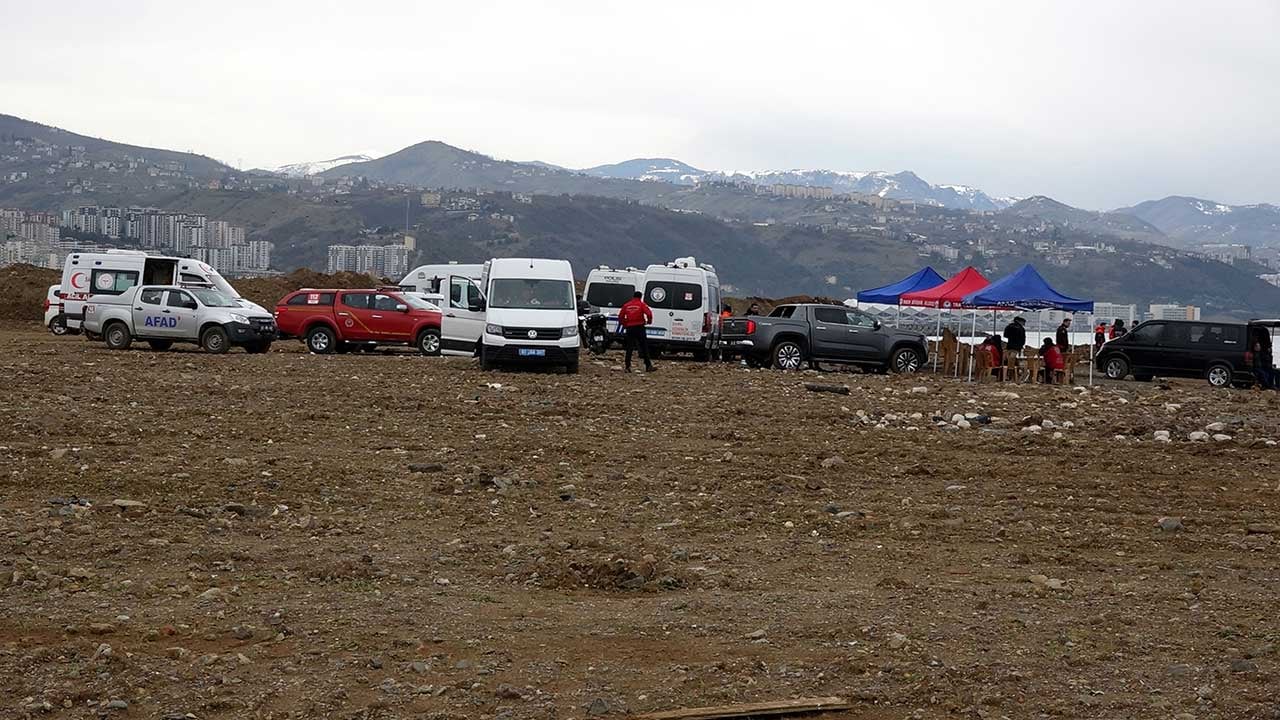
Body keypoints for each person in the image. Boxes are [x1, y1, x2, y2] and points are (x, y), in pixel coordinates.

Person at [617, 291, 654, 372]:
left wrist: (625, 324)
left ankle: (627, 367)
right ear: (640, 297)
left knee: (629, 347)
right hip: (640, 327)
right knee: (644, 346)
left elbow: (620, 317)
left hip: (630, 328)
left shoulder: (626, 305)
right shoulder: (641, 304)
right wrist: (649, 321)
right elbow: (649, 313)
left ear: (633, 296)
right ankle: (648, 366)